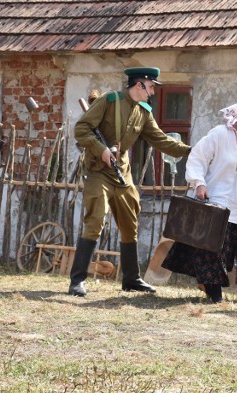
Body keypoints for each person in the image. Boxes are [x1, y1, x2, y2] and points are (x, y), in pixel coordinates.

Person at [69, 67, 192, 297]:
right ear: (139, 85)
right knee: (95, 220)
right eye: (151, 86)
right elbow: (81, 129)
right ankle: (77, 280)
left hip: (121, 173)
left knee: (129, 223)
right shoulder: (110, 101)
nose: (153, 92)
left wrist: (191, 151)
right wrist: (101, 149)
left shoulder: (143, 112)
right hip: (99, 170)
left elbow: (162, 141)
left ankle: (131, 279)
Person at [162, 101, 237, 303]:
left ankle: (207, 283)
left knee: (225, 254)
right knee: (209, 249)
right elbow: (197, 158)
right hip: (214, 200)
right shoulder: (219, 134)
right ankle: (214, 293)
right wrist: (199, 183)